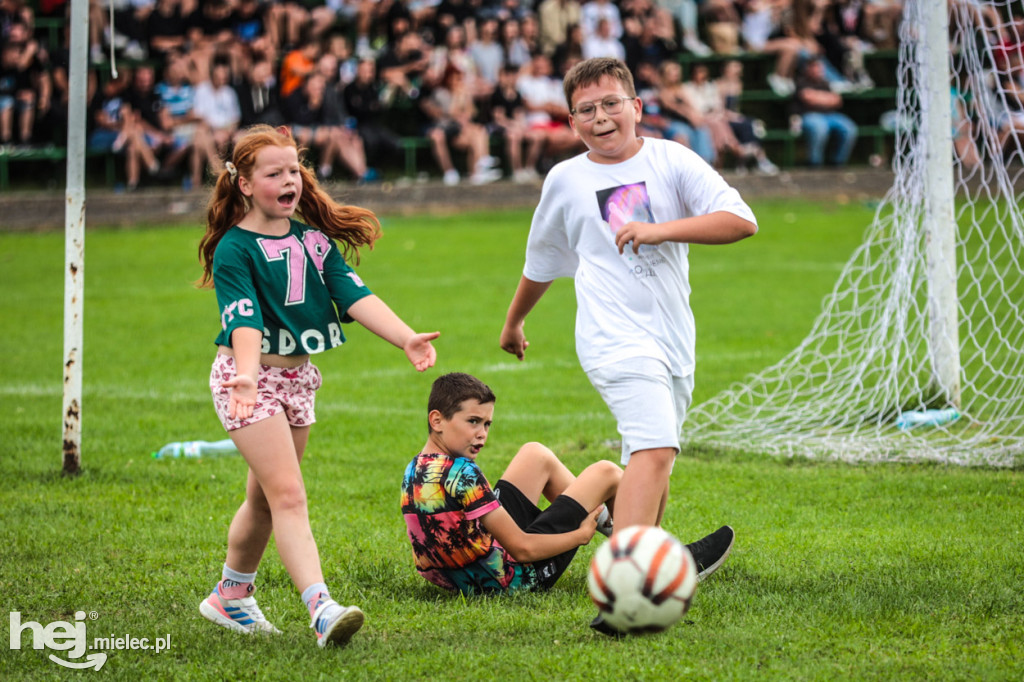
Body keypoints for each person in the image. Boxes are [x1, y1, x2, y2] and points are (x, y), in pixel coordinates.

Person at [498, 58, 750, 631]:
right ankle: (626, 593)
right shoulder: (565, 180)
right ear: (572, 120)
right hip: (611, 340)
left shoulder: (672, 159)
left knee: (653, 460)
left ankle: (657, 557)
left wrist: (659, 229)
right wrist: (513, 323)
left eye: (612, 103)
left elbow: (740, 220)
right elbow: (541, 263)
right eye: (586, 109)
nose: (601, 117)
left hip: (672, 340)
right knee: (655, 449)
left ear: (636, 107)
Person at [196, 124, 440, 647]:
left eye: (294, 172)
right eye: (274, 174)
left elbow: (355, 296)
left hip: (296, 378)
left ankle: (229, 596)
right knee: (288, 495)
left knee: (264, 500)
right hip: (248, 379)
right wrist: (243, 372)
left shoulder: (313, 240)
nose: (289, 182)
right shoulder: (234, 249)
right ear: (243, 183)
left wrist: (405, 339)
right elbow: (242, 319)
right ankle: (321, 609)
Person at [401, 372, 619, 595]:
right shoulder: (464, 472)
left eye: (486, 424)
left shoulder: (414, 468)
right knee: (607, 472)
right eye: (473, 422)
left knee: (535, 455)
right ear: (436, 421)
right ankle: (643, 558)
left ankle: (619, 532)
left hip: (468, 574)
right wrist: (579, 536)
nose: (482, 434)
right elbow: (522, 549)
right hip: (514, 579)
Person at [792, 56, 858, 166]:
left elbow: (837, 100)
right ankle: (814, 163)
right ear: (807, 68)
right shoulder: (801, 81)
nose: (818, 70)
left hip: (830, 115)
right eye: (814, 67)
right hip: (808, 116)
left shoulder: (825, 82)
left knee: (849, 127)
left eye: (819, 67)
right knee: (819, 128)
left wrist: (818, 97)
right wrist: (826, 98)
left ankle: (837, 162)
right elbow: (808, 98)